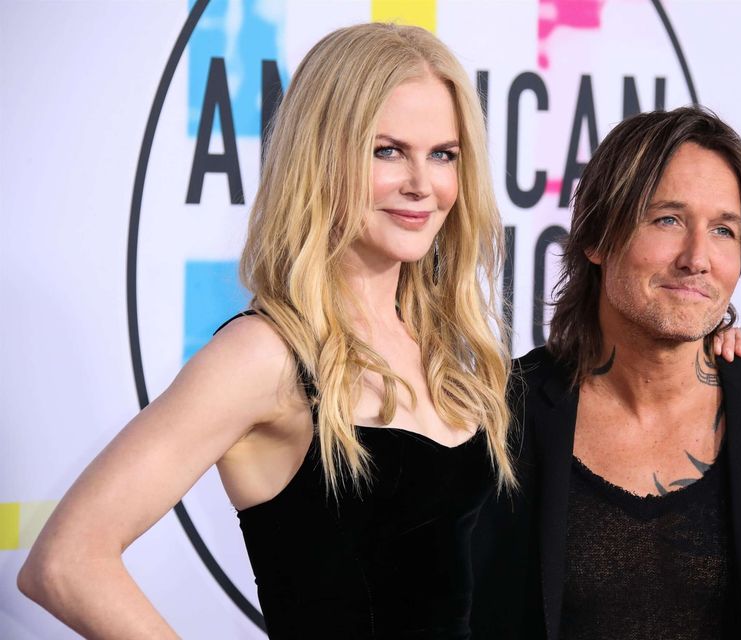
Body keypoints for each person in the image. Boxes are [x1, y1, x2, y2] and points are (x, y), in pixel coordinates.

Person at [17, 23, 516, 639]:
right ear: (320, 156)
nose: (422, 184)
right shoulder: (265, 355)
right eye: (386, 151)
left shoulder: (438, 347)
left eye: (443, 154)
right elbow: (65, 563)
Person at [472, 106, 741, 639]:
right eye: (668, 220)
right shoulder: (493, 415)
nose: (697, 258)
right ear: (596, 237)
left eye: (724, 230)